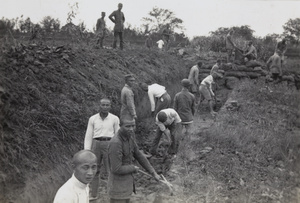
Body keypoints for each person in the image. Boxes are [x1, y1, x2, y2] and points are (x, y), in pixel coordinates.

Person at [107, 118, 160, 203]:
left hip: (127, 185)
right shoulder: (116, 143)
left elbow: (139, 155)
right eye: (128, 126)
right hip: (117, 187)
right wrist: (133, 168)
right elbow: (116, 168)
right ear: (120, 126)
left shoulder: (129, 137)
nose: (131, 129)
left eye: (133, 126)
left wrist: (153, 172)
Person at [84, 98, 120, 200]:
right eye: (103, 105)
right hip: (96, 144)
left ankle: (112, 193)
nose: (105, 107)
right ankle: (94, 194)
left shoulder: (115, 119)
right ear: (99, 106)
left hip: (110, 143)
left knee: (111, 170)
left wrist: (117, 148)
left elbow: (118, 134)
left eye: (107, 105)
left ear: (110, 106)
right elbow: (89, 134)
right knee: (95, 169)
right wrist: (87, 150)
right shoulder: (93, 119)